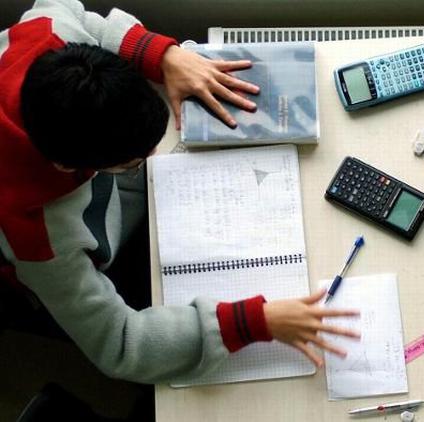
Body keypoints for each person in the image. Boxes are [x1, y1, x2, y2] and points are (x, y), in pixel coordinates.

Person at [0, 0, 358, 384]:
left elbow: (80, 17)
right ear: (66, 167)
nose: (155, 155)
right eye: (134, 161)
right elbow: (120, 343)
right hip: (84, 256)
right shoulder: (40, 240)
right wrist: (254, 321)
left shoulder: (48, 31)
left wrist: (165, 57)